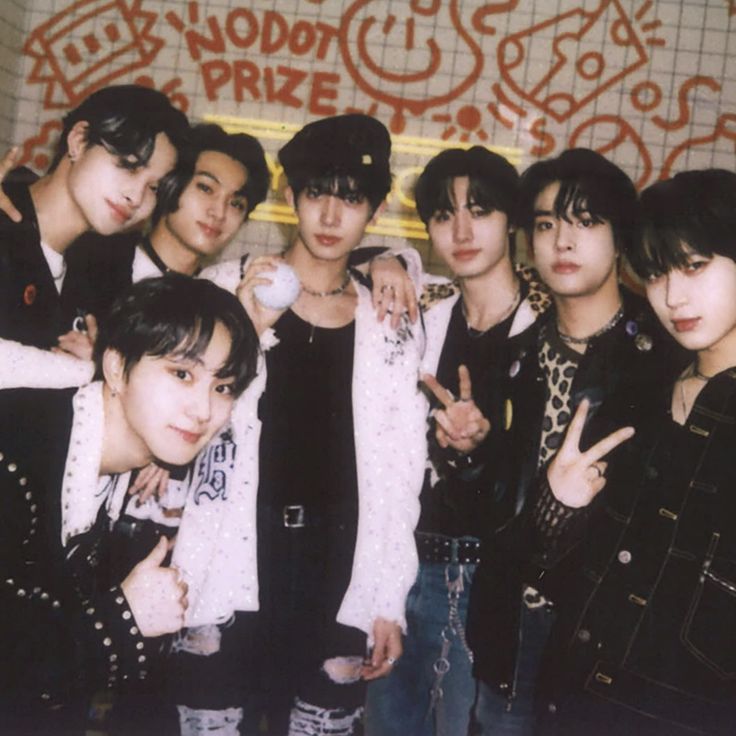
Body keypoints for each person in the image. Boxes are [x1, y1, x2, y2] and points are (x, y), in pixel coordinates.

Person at [169, 113, 428, 736]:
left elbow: (400, 473)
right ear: (291, 197)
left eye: (352, 198)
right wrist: (247, 326)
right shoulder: (224, 289)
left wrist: (388, 598)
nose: (332, 217)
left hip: (340, 570)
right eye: (317, 194)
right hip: (228, 559)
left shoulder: (391, 318)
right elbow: (181, 417)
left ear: (376, 207)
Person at [465, 148, 683, 734]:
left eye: (586, 222)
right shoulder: (512, 356)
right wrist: (465, 451)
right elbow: (494, 502)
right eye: (545, 224)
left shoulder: (667, 360)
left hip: (613, 643)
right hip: (513, 631)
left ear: (621, 240)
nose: (563, 240)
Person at [513, 168, 736, 735]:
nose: (672, 295)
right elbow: (566, 577)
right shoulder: (642, 396)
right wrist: (559, 504)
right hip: (576, 700)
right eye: (657, 272)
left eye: (694, 266)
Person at [0, 275, 260, 734]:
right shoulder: (17, 449)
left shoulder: (105, 460)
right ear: (117, 369)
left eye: (223, 387)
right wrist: (125, 617)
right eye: (182, 374)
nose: (204, 410)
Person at [364, 146, 550, 736]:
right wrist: (385, 260)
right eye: (444, 215)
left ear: (512, 220)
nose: (462, 230)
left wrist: (484, 445)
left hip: (497, 586)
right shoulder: (426, 317)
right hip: (411, 572)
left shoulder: (550, 327)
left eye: (481, 210)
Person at [0, 84, 188, 355]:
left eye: (154, 188)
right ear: (78, 140)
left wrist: (98, 368)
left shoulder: (104, 271)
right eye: (129, 165)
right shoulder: (7, 228)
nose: (136, 197)